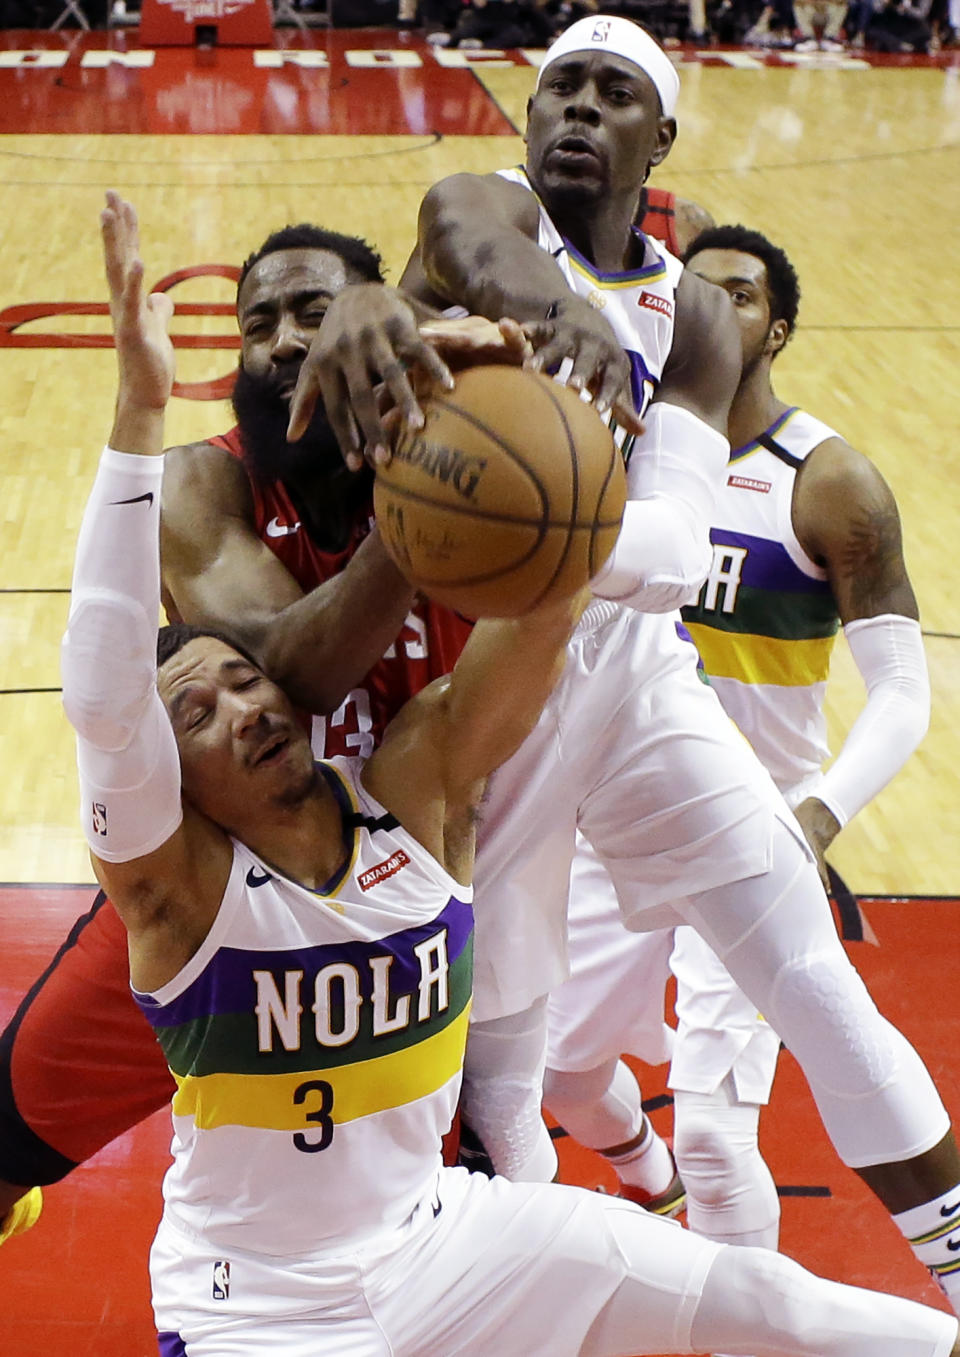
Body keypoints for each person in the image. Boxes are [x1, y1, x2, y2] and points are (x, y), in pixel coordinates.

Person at [60, 183, 960, 1357]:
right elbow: (116, 681)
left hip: (443, 1238)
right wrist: (135, 412)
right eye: (198, 707)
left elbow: (554, 590)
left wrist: (529, 419)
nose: (245, 705)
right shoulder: (171, 887)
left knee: (765, 1295)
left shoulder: (420, 794)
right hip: (266, 1307)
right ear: (160, 777)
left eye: (242, 688)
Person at [287, 12, 960, 1308]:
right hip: (482, 688)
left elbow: (672, 547)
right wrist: (559, 333)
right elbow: (491, 255)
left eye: (611, 94)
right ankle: (503, 1315)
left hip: (637, 669)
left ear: (663, 135)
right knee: (503, 1071)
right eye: (558, 90)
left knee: (808, 971)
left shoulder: (700, 319)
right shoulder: (471, 207)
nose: (576, 113)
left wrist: (529, 517)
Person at [0, 180, 713, 1239]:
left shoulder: (479, 476)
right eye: (259, 324)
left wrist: (531, 419)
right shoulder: (206, 486)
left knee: (443, 1202)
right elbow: (291, 666)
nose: (286, 341)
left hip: (404, 895)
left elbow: (469, 216)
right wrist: (412, 512)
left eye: (316, 315)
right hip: (215, 905)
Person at [543, 224, 938, 1284]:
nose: (711, 305)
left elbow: (904, 692)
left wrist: (819, 812)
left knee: (724, 1136)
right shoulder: (621, 454)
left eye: (741, 293)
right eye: (694, 288)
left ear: (780, 327)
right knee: (565, 1076)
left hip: (751, 827)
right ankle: (642, 1166)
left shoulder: (829, 480)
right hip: (616, 811)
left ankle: (730, 1316)